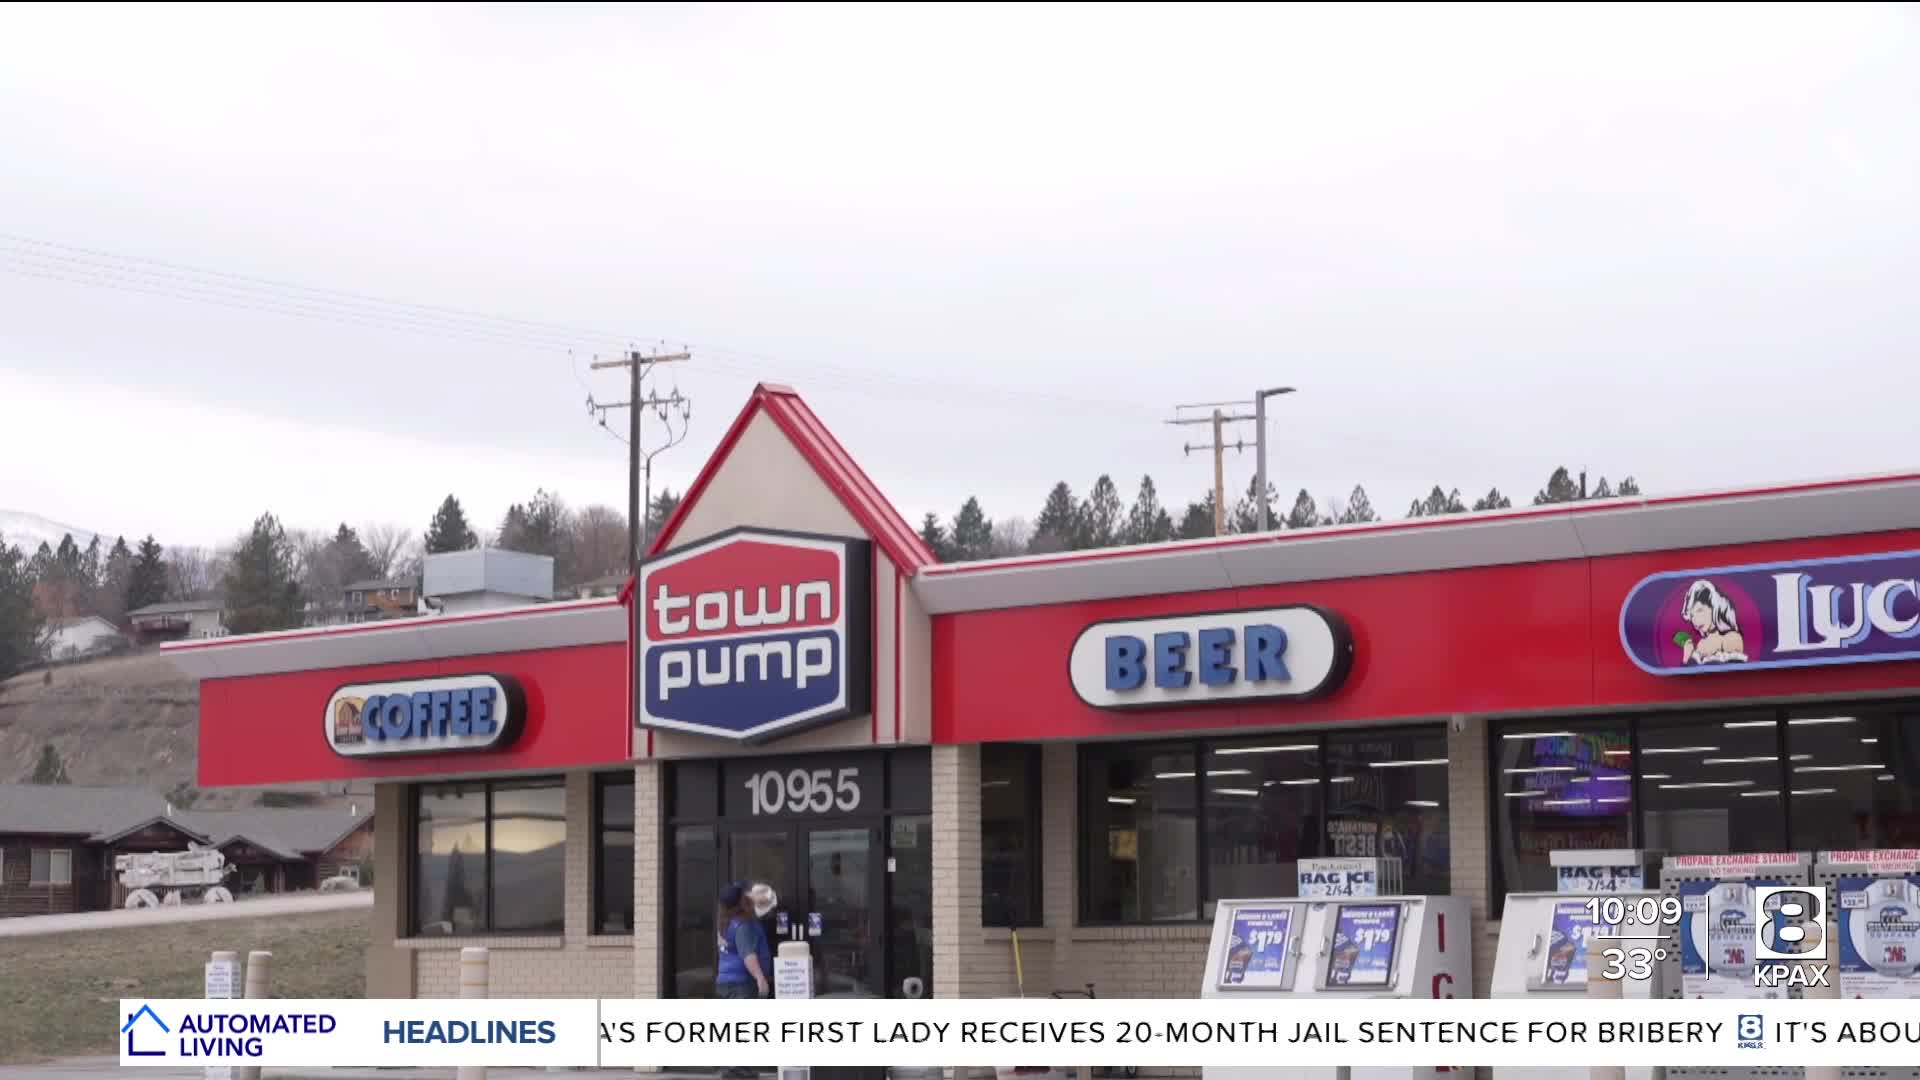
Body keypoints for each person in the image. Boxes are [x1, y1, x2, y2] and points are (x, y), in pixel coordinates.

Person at [715, 879, 771, 1077]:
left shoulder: (725, 922)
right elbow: (748, 955)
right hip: (740, 984)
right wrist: (760, 977)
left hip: (725, 982)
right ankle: (735, 1071)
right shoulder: (741, 925)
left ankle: (739, 1068)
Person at [1677, 579, 1747, 664]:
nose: (1695, 620)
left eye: (1700, 610)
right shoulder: (1701, 644)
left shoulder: (1732, 638)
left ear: (1714, 607)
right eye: (1692, 615)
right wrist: (1687, 657)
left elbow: (1735, 669)